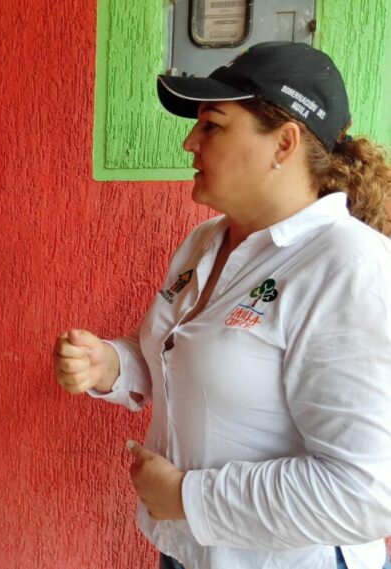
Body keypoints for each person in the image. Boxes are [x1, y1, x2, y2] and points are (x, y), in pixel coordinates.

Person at [54, 42, 391, 569]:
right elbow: (184, 361)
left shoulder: (350, 268)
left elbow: (365, 492)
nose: (190, 141)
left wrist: (188, 498)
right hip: (188, 551)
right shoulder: (205, 242)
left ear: (283, 143)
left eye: (212, 125)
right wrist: (111, 365)